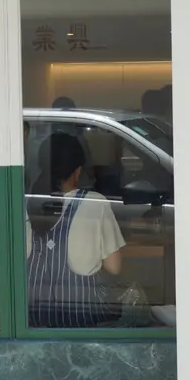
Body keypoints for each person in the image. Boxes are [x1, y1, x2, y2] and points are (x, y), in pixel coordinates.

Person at [26, 132, 127, 328]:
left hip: (34, 324)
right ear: (78, 171)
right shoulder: (95, 203)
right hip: (82, 324)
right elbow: (114, 267)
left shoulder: (26, 203)